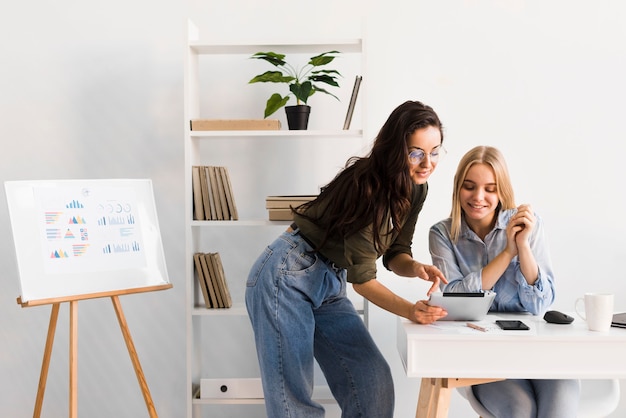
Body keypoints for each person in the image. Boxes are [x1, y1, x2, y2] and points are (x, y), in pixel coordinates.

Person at [245, 100, 448, 418]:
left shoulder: (416, 189)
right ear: (396, 150)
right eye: (416, 152)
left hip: (328, 278)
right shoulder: (368, 189)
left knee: (372, 385)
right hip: (287, 274)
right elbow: (364, 282)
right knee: (294, 404)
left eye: (434, 151)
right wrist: (411, 311)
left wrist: (416, 267)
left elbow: (396, 252)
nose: (427, 163)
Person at [428, 145, 580, 418]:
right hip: (482, 357)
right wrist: (507, 253)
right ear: (457, 188)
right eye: (469, 186)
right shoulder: (442, 234)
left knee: (559, 408)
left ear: (502, 191)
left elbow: (539, 304)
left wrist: (522, 245)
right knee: (520, 409)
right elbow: (454, 299)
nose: (478, 197)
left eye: (490, 188)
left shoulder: (529, 226)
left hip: (536, 351)